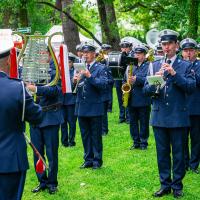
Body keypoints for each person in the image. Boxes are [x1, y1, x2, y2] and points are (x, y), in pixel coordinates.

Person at [144, 29, 196, 198]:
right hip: (159, 115)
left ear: (176, 45)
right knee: (162, 153)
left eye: (169, 44)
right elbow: (146, 90)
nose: (166, 47)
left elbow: (190, 87)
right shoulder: (154, 65)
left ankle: (177, 185)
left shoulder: (186, 65)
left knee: (179, 154)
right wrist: (154, 82)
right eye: (163, 44)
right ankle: (164, 184)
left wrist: (174, 74)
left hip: (177, 115)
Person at [0, 35, 42, 200]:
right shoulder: (17, 88)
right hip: (11, 159)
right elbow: (37, 117)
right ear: (9, 61)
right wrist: (30, 94)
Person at [27, 47, 64, 194]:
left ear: (50, 55)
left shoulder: (55, 70)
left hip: (50, 116)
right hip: (35, 117)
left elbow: (56, 90)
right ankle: (42, 181)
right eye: (39, 54)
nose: (41, 56)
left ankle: (52, 182)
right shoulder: (32, 72)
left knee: (51, 153)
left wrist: (36, 89)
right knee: (37, 152)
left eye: (43, 53)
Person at [74, 43, 108, 169]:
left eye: (87, 52)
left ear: (94, 54)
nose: (85, 55)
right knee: (85, 134)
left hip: (94, 106)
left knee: (95, 135)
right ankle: (88, 159)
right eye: (83, 52)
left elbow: (103, 85)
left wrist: (89, 76)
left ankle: (97, 160)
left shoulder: (101, 68)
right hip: (82, 105)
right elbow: (78, 87)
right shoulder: (80, 67)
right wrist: (75, 81)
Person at [180, 38, 200, 174]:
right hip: (181, 107)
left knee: (196, 138)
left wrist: (190, 71)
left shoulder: (199, 65)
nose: (188, 53)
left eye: (191, 50)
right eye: (186, 50)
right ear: (182, 52)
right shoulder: (178, 65)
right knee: (181, 138)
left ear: (196, 52)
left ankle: (194, 164)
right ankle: (185, 163)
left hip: (196, 106)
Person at [128, 44, 151, 150]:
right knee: (132, 121)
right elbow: (125, 79)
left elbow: (149, 79)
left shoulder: (149, 65)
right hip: (131, 97)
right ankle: (135, 141)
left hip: (143, 97)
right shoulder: (130, 66)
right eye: (136, 53)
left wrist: (137, 79)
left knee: (144, 121)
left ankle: (143, 142)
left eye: (140, 54)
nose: (137, 56)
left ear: (144, 55)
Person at [61, 53, 77, 147]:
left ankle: (71, 140)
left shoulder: (75, 72)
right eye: (66, 62)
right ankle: (64, 141)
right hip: (62, 101)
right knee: (63, 123)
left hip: (71, 100)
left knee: (71, 122)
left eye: (69, 62)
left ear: (73, 63)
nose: (68, 64)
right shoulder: (60, 73)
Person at [115, 40, 132, 123]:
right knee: (119, 98)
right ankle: (122, 116)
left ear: (129, 48)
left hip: (127, 79)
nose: (124, 49)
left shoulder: (132, 56)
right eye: (122, 47)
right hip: (119, 78)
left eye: (126, 47)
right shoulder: (118, 56)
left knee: (127, 97)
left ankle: (128, 117)